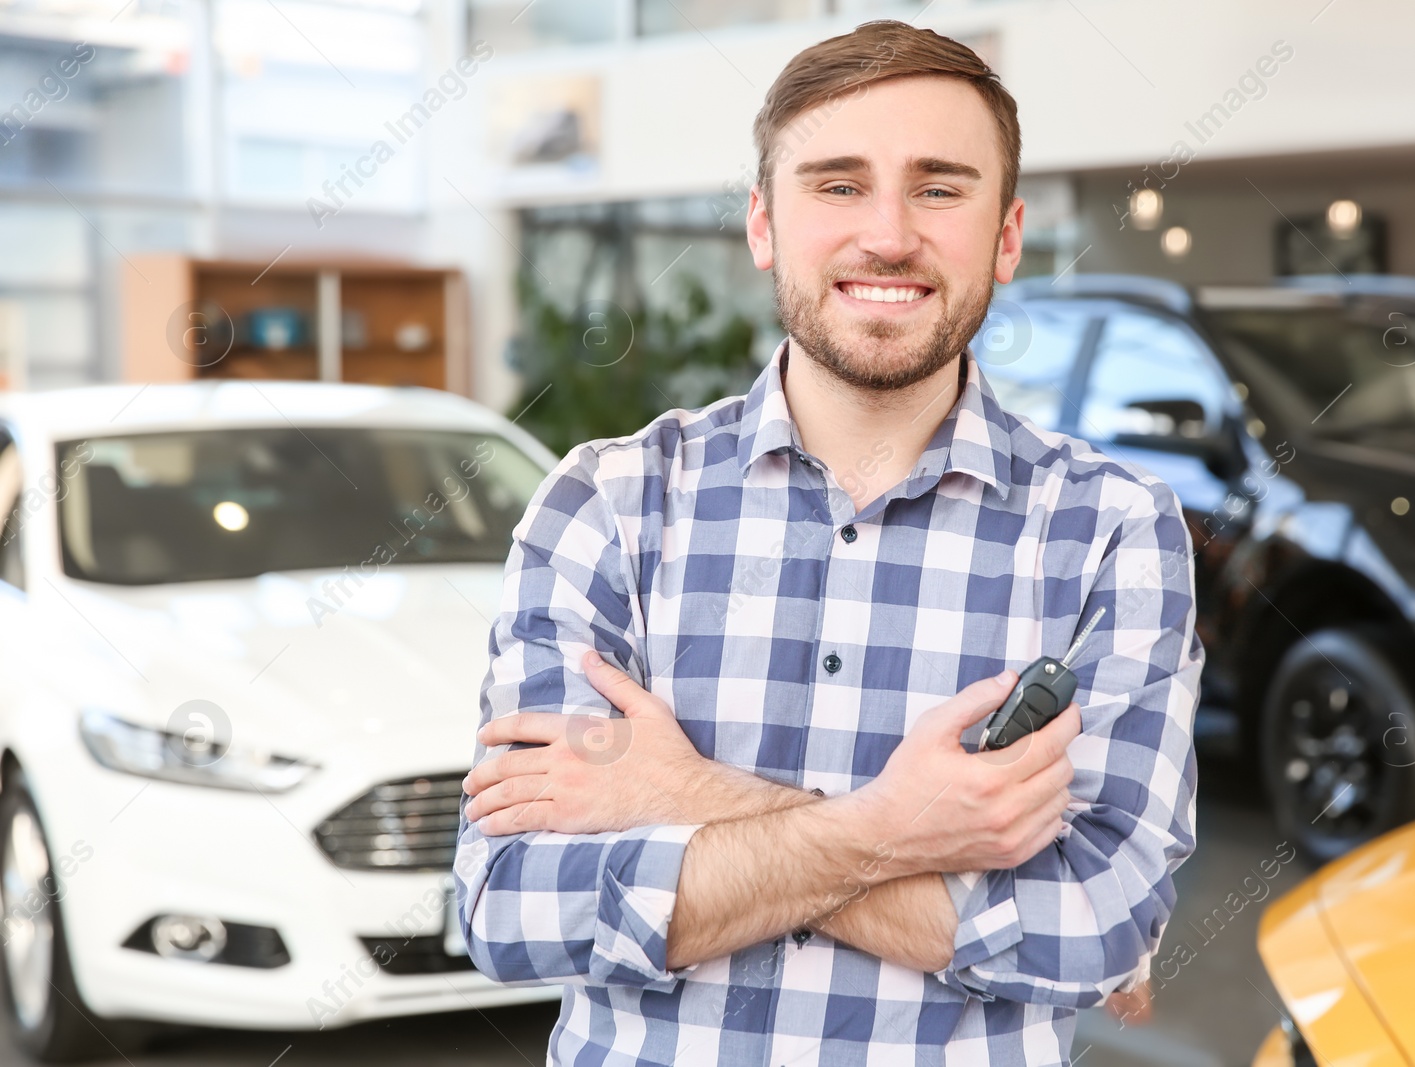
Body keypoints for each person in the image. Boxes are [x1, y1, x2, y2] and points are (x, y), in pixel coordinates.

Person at [454, 19, 1201, 1066]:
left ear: (1007, 232)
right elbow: (511, 908)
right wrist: (903, 830)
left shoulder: (1109, 529)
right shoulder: (608, 503)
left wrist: (689, 792)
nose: (887, 235)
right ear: (763, 223)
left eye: (939, 188)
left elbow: (1096, 931)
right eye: (837, 185)